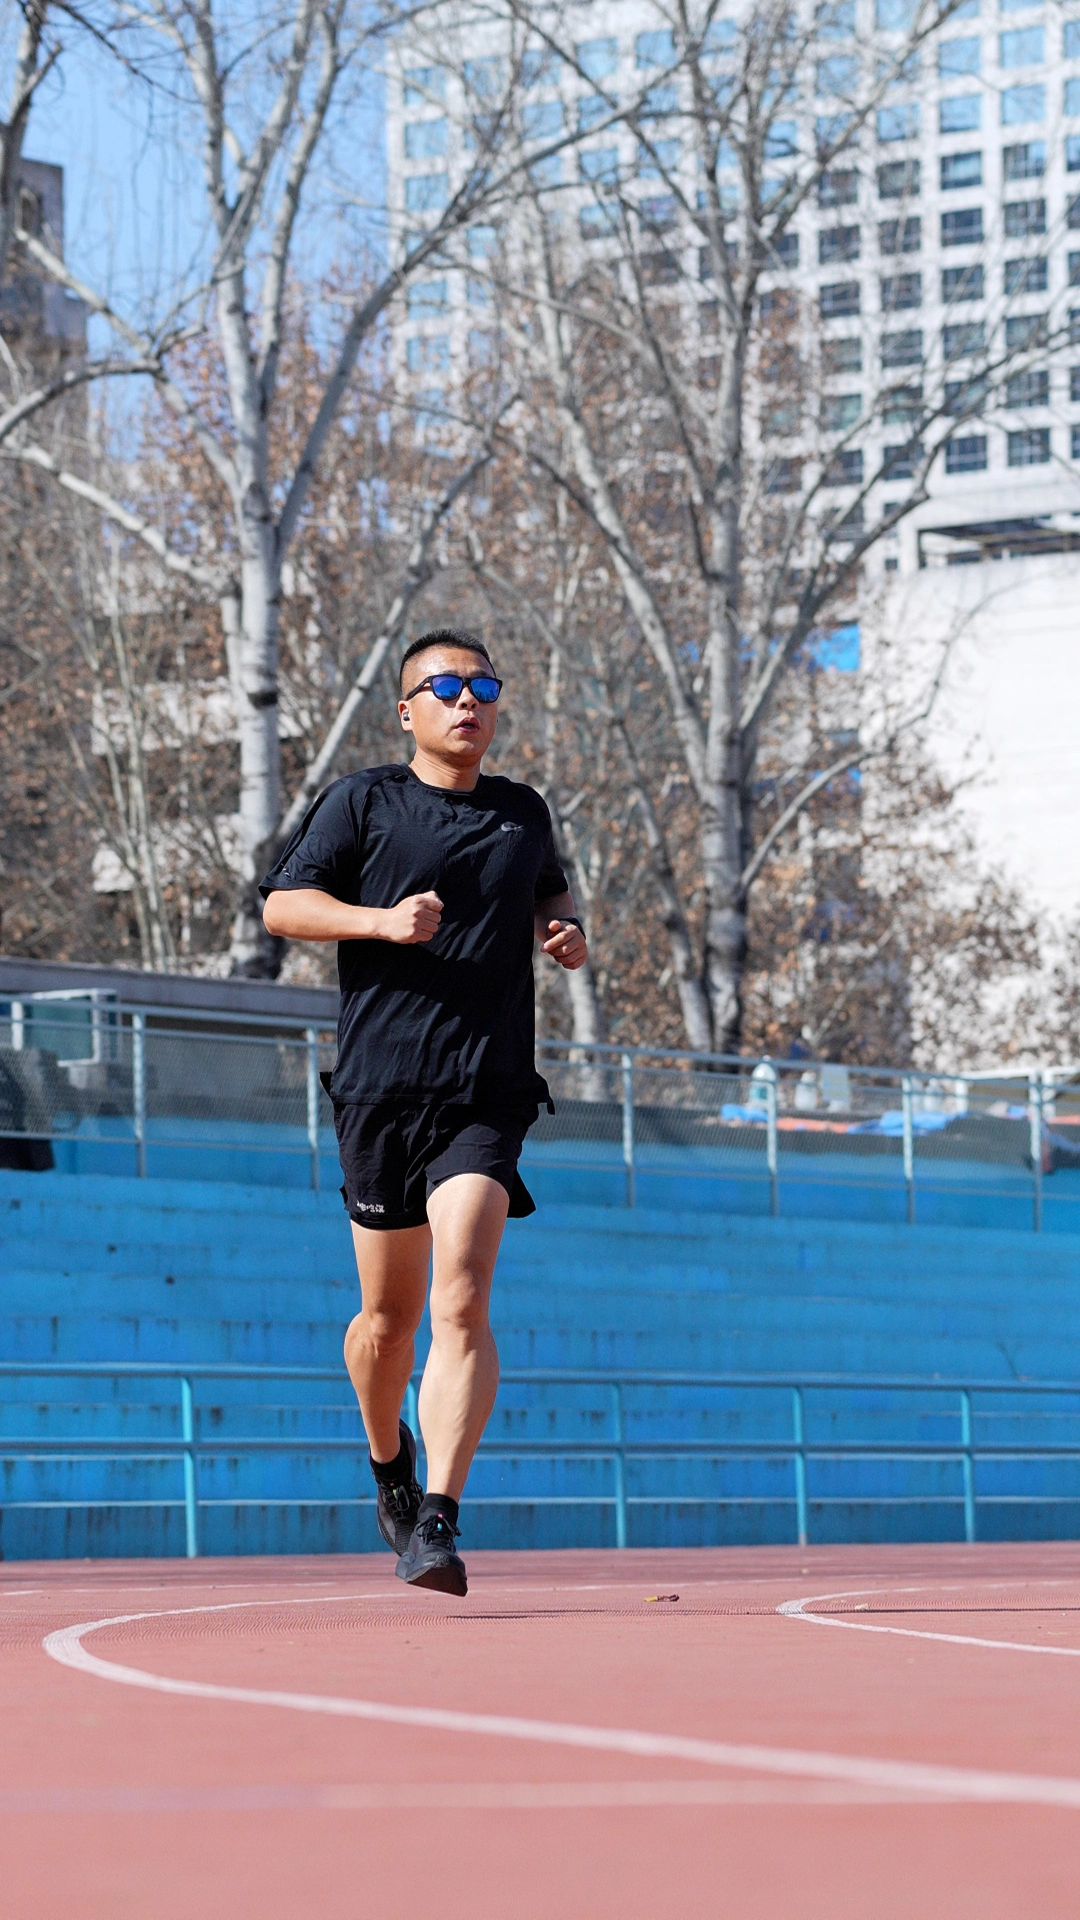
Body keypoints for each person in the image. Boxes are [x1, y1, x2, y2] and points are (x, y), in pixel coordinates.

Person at [260, 629, 587, 1595]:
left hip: (487, 1089)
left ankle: (438, 1518)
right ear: (407, 710)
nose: (468, 701)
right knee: (386, 1322)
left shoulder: (522, 812)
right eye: (445, 687)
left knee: (463, 1296)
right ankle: (389, 1462)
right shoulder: (363, 800)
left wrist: (562, 931)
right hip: (378, 1091)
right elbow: (283, 907)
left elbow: (550, 891)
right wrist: (380, 921)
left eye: (483, 685)